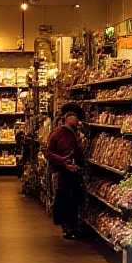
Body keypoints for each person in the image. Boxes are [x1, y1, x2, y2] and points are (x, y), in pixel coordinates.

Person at [46, 102, 86, 239]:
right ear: (68, 117)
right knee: (64, 198)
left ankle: (71, 224)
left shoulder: (74, 133)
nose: (77, 120)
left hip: (72, 171)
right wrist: (64, 162)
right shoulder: (58, 133)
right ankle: (66, 227)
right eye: (75, 117)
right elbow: (49, 152)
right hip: (62, 171)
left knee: (73, 198)